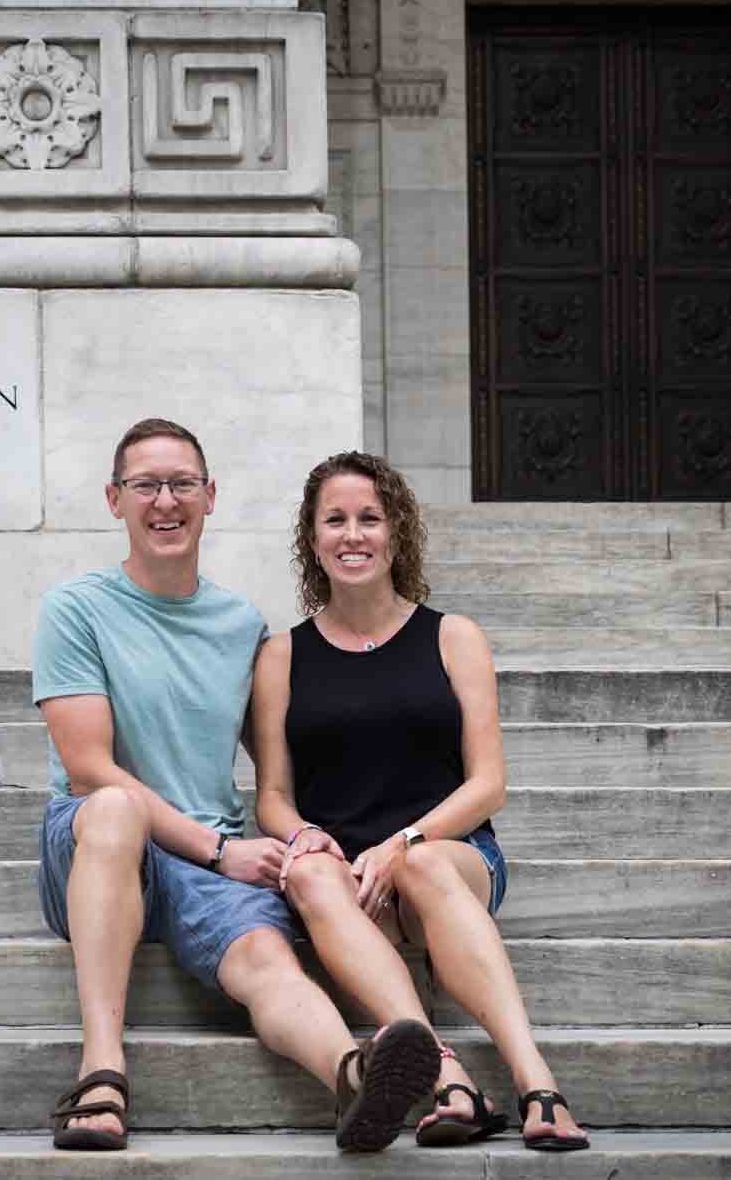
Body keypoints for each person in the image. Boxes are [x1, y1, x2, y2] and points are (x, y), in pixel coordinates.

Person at [33, 419, 443, 1153]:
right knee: (118, 805)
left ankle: (351, 1074)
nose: (166, 500)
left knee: (267, 961)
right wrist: (222, 850)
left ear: (211, 496)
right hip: (98, 843)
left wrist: (322, 838)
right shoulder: (76, 609)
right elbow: (90, 764)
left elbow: (289, 764)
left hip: (205, 859)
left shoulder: (241, 624)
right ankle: (101, 1069)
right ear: (114, 499)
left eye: (183, 483)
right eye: (146, 484)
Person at [248, 450, 590, 1152]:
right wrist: (311, 836)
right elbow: (273, 795)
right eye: (334, 520)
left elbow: (488, 782)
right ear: (312, 540)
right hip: (347, 887)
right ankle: (449, 1076)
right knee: (306, 869)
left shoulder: (453, 636)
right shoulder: (282, 655)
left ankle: (536, 1081)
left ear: (395, 531)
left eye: (369, 518)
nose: (353, 534)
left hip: (449, 862)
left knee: (424, 865)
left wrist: (403, 842)